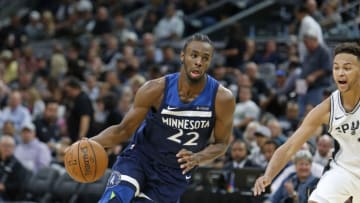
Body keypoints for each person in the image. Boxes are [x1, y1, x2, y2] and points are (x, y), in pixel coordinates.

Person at [90, 33, 235, 203]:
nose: (198, 62)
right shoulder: (155, 89)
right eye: (194, 55)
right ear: (182, 56)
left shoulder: (222, 98)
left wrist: (199, 157)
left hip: (174, 173)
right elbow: (123, 130)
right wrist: (89, 143)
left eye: (205, 58)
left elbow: (222, 143)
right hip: (140, 158)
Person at [253, 42, 360, 202]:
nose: (340, 73)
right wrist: (268, 175)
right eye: (336, 67)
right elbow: (290, 147)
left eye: (347, 68)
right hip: (343, 171)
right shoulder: (326, 109)